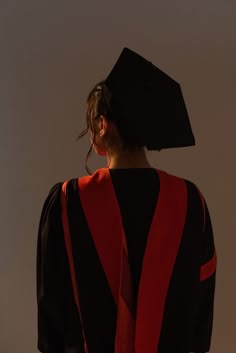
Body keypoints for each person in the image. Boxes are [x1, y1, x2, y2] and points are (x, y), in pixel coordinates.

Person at [37, 48, 217, 353]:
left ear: (104, 125)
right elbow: (201, 319)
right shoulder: (189, 202)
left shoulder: (67, 201)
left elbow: (51, 319)